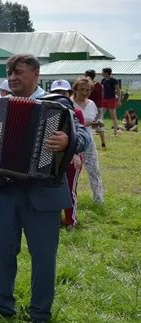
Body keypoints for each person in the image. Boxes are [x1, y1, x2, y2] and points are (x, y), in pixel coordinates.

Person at [0, 54, 90, 323]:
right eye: (10, 72)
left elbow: (84, 136)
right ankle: (3, 307)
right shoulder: (3, 104)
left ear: (36, 74)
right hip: (5, 189)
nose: (12, 77)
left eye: (18, 72)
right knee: (3, 251)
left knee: (42, 257)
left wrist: (67, 140)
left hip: (44, 192)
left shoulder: (60, 105)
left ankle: (40, 314)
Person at [49, 80, 86, 229]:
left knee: (70, 189)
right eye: (56, 93)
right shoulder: (47, 112)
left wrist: (75, 154)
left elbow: (79, 135)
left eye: (63, 93)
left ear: (70, 94)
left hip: (71, 157)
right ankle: (56, 220)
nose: (60, 96)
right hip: (53, 157)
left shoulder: (76, 113)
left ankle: (71, 221)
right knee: (52, 189)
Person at [70, 77, 105, 205]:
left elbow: (93, 122)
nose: (85, 92)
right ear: (75, 89)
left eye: (88, 89)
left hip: (88, 141)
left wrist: (97, 123)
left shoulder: (91, 104)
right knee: (70, 173)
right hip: (72, 142)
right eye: (82, 90)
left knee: (94, 170)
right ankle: (70, 200)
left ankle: (98, 200)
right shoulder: (69, 103)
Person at [84, 70, 107, 148]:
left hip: (89, 107)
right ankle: (103, 142)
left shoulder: (88, 86)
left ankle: (87, 141)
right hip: (99, 106)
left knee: (86, 124)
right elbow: (102, 95)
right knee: (99, 124)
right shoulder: (100, 85)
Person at [99, 68, 122, 133]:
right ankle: (100, 129)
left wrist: (119, 101)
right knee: (101, 115)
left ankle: (115, 131)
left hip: (111, 99)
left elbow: (118, 90)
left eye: (102, 72)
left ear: (106, 73)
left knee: (113, 116)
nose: (101, 73)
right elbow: (102, 91)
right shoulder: (103, 80)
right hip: (104, 99)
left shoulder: (113, 80)